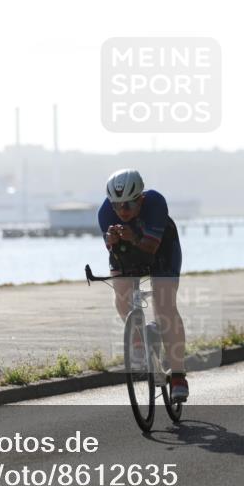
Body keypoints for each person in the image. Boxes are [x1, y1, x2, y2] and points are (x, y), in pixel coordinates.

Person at [97, 168, 188, 402]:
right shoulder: (105, 213)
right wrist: (113, 242)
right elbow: (115, 254)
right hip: (129, 253)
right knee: (121, 297)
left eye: (128, 204)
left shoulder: (155, 202)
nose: (122, 211)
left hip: (162, 249)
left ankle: (178, 376)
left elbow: (150, 248)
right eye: (117, 205)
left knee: (165, 306)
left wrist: (133, 237)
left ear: (141, 199)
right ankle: (138, 339)